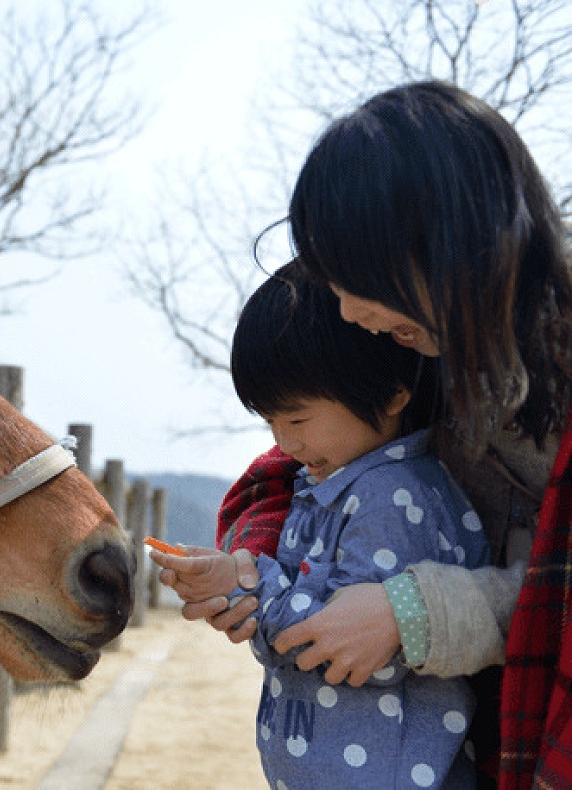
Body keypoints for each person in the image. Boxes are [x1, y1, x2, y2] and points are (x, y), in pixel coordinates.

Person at [154, 79, 572, 788]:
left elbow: (550, 598)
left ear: (444, 240)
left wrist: (412, 613)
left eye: (355, 276)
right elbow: (289, 486)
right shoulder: (428, 368)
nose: (346, 311)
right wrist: (250, 573)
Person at [165, 260, 489, 787]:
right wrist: (240, 590)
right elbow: (301, 610)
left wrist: (250, 586)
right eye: (270, 422)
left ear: (389, 394)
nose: (284, 444)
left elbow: (348, 652)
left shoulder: (394, 498)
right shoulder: (329, 487)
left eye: (295, 420)